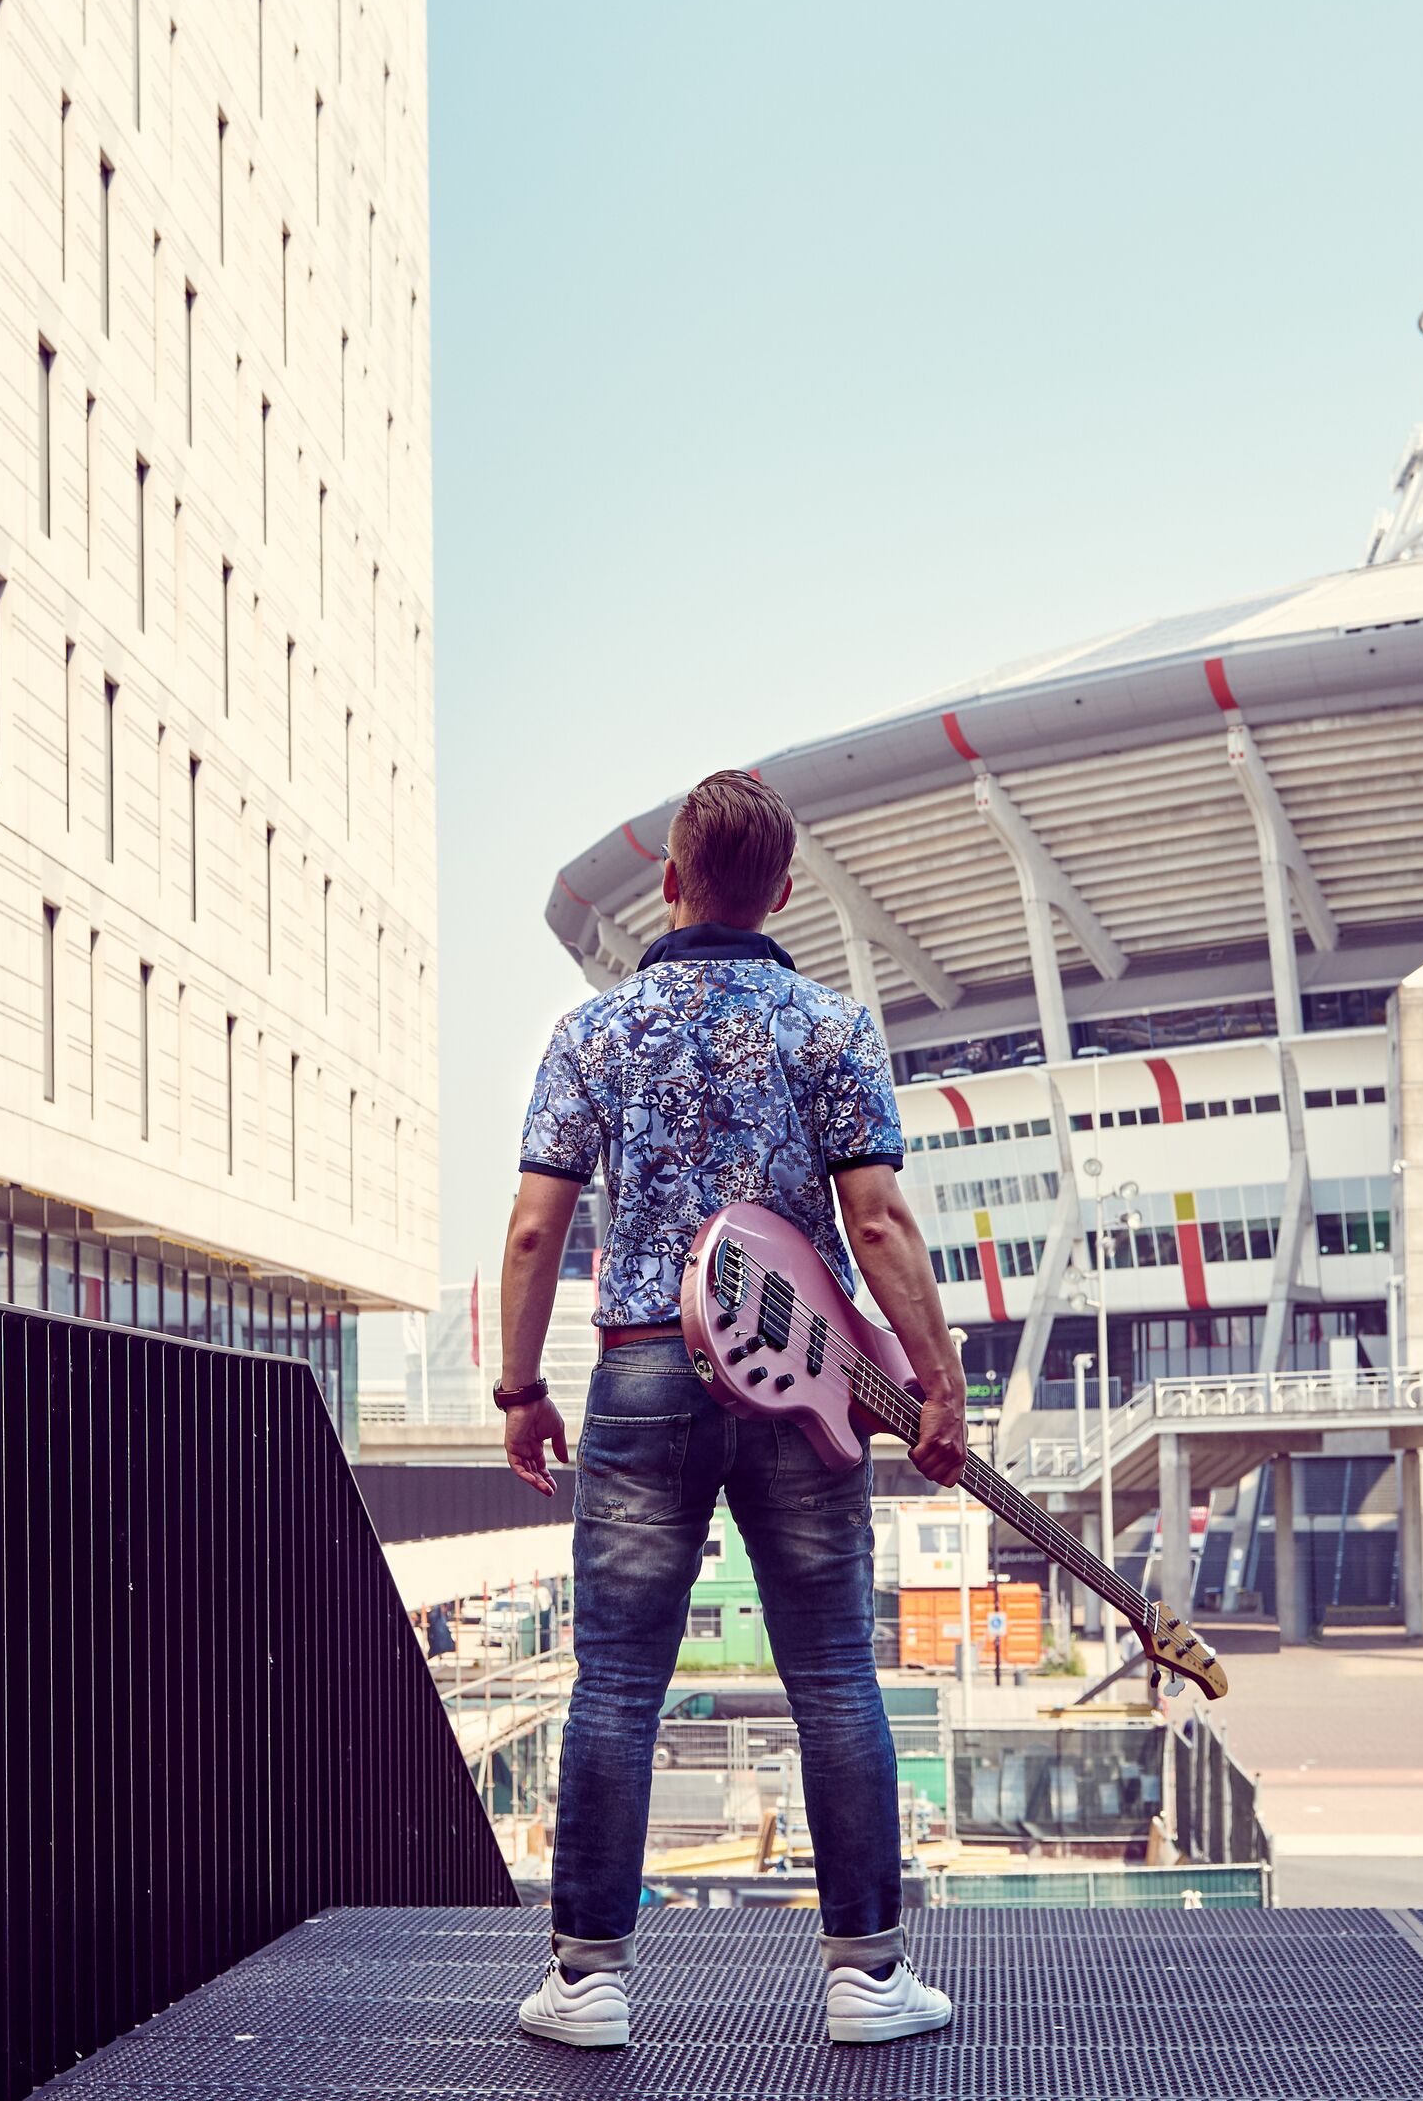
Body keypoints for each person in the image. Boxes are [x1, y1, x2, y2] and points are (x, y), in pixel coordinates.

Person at [492, 771, 968, 2051]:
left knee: (618, 1683)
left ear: (668, 881)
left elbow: (538, 1228)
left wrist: (521, 1385)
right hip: (804, 1381)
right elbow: (876, 1221)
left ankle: (587, 1980)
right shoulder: (831, 1027)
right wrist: (936, 1377)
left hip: (643, 1373)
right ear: (787, 889)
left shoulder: (595, 1033)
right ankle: (866, 1978)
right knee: (831, 1676)